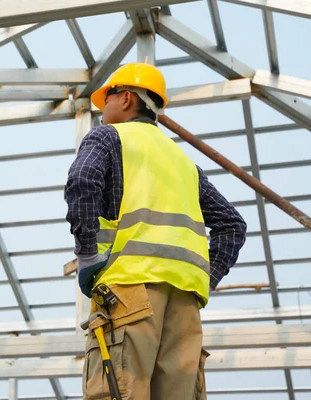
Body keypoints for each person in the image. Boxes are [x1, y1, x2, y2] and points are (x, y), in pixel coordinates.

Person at [64, 63, 247, 400]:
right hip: (185, 306)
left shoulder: (108, 137)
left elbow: (83, 181)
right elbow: (232, 224)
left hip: (130, 292)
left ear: (127, 99)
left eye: (108, 99)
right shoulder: (184, 164)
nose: (103, 109)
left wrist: (87, 253)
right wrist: (204, 279)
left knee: (120, 390)